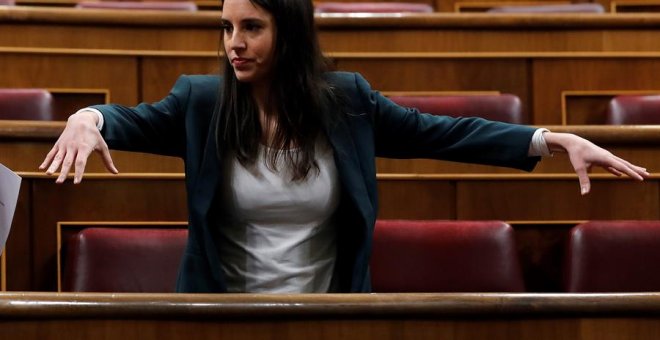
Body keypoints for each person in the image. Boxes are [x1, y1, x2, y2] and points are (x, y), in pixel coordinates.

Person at [40, 0, 648, 293]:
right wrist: (88, 117)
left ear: (291, 31)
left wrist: (549, 138)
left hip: (331, 321)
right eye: (226, 27)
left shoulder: (347, 100)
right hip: (222, 321)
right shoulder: (202, 102)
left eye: (251, 27)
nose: (234, 43)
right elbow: (128, 118)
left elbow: (444, 132)